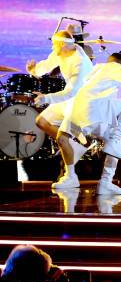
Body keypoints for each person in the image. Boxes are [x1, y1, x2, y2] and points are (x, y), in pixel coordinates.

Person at [56, 52, 121, 194]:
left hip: (77, 110)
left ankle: (69, 176)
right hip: (95, 113)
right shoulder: (114, 67)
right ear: (120, 64)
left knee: (62, 138)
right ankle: (105, 182)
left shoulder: (95, 72)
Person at [26, 30, 94, 189]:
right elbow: (45, 66)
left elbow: (72, 92)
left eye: (54, 43)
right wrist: (33, 70)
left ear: (62, 44)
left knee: (61, 139)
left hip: (83, 102)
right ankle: (74, 146)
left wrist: (46, 98)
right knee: (41, 121)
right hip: (71, 99)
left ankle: (71, 177)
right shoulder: (61, 52)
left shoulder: (80, 62)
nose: (52, 46)